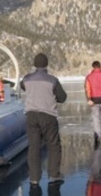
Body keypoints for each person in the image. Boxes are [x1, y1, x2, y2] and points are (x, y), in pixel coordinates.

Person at [20, 53, 67, 185]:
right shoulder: (52, 80)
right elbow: (62, 97)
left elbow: (22, 86)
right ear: (46, 64)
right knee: (53, 145)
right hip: (48, 115)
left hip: (31, 115)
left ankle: (34, 178)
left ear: (35, 64)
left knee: (33, 146)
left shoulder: (27, 79)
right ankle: (54, 174)